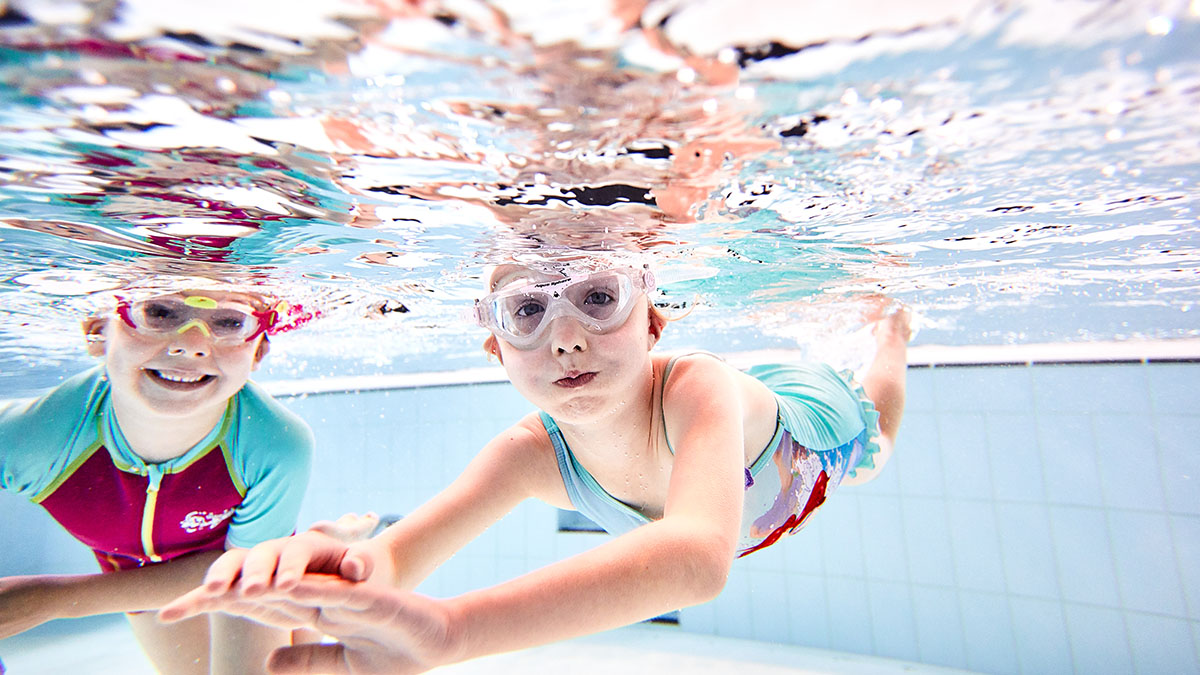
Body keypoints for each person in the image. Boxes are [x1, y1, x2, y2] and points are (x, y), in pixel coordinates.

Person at [161, 260, 911, 674]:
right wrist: (331, 573)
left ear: (650, 316)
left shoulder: (696, 388)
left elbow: (694, 559)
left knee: (878, 439)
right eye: (527, 310)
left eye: (596, 297)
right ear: (496, 346)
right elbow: (393, 555)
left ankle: (891, 337)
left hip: (811, 438)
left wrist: (454, 629)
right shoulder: (527, 454)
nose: (567, 338)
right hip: (756, 472)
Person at [0, 286, 316, 675]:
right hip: (135, 577)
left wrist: (49, 600)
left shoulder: (275, 444)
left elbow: (244, 571)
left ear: (258, 352)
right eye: (160, 313)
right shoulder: (30, 439)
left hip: (252, 567)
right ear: (98, 334)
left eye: (231, 322)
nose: (191, 344)